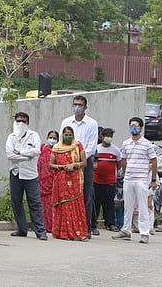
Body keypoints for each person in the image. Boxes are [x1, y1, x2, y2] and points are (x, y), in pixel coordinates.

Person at [112, 117, 157, 244]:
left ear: (141, 128)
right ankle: (126, 230)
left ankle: (144, 232)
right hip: (129, 178)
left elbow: (153, 161)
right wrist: (126, 173)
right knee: (128, 205)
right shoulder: (126, 143)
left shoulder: (147, 144)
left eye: (136, 126)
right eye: (131, 125)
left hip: (141, 178)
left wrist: (153, 179)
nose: (133, 128)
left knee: (142, 206)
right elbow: (123, 159)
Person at [60, 95, 98, 238]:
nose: (77, 107)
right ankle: (68, 227)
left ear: (85, 107)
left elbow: (91, 146)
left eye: (80, 104)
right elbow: (61, 142)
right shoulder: (66, 122)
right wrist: (66, 160)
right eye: (75, 104)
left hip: (83, 164)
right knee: (68, 195)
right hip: (67, 164)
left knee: (85, 196)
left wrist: (78, 160)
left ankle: (85, 228)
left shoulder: (91, 124)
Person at [6, 112, 47, 240]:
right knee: (16, 202)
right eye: (18, 121)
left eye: (23, 121)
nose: (20, 124)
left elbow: (36, 151)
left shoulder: (34, 135)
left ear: (28, 123)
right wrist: (27, 155)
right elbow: (10, 155)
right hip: (16, 173)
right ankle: (22, 229)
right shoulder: (11, 137)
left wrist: (20, 153)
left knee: (35, 203)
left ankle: (40, 232)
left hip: (31, 174)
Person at [50, 126, 88, 241]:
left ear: (73, 135)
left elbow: (84, 162)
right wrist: (61, 167)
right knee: (64, 204)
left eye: (70, 135)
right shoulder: (57, 148)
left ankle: (79, 232)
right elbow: (51, 165)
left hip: (75, 179)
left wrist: (74, 165)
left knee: (76, 204)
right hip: (61, 180)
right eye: (66, 135)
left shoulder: (77, 145)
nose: (68, 137)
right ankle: (63, 233)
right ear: (62, 135)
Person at [94, 128, 121, 232]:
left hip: (110, 181)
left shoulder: (116, 150)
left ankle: (110, 223)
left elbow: (118, 164)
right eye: (107, 135)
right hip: (96, 181)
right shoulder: (96, 149)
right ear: (101, 136)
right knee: (95, 203)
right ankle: (93, 224)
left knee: (109, 204)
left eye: (110, 136)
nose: (108, 138)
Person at [37, 130, 58, 233]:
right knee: (42, 204)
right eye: (50, 137)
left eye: (54, 138)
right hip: (42, 181)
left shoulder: (58, 151)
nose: (52, 140)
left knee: (51, 204)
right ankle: (42, 225)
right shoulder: (42, 148)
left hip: (53, 181)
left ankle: (52, 226)